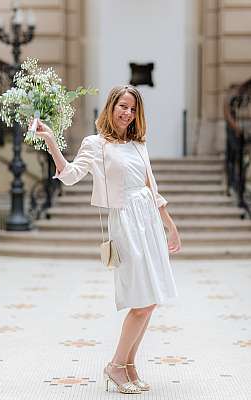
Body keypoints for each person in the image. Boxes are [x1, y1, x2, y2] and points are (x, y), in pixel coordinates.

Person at [33, 85, 181, 394]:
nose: (127, 113)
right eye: (122, 106)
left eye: (133, 109)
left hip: (149, 221)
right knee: (140, 301)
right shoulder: (95, 144)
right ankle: (115, 365)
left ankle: (129, 365)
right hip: (125, 222)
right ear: (111, 107)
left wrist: (169, 224)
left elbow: (151, 187)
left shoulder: (139, 144)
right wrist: (50, 141)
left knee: (150, 301)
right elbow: (70, 174)